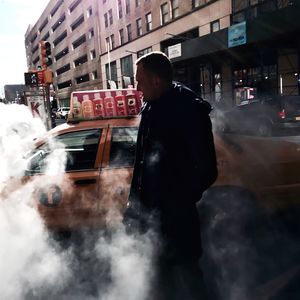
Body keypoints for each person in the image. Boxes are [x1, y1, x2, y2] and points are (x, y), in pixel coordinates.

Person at [124, 51, 218, 299]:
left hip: (178, 222)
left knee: (189, 281)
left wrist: (176, 201)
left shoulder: (189, 109)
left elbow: (208, 170)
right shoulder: (149, 107)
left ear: (156, 81)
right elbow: (141, 163)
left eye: (139, 81)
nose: (137, 87)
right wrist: (133, 205)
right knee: (158, 282)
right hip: (150, 221)